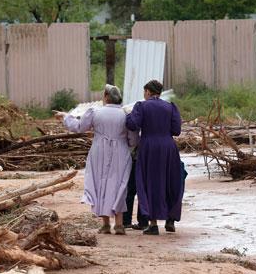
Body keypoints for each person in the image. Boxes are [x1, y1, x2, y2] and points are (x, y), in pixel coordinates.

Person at [55, 84, 137, 235]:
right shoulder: (126, 115)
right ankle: (119, 224)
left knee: (101, 184)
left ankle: (105, 224)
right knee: (120, 185)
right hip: (120, 151)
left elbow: (79, 126)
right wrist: (129, 145)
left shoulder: (96, 112)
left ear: (106, 96)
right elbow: (133, 138)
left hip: (100, 150)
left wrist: (65, 117)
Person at [126, 79, 185, 235]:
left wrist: (129, 115)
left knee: (150, 182)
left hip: (149, 147)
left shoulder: (141, 106)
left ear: (147, 92)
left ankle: (153, 224)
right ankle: (170, 219)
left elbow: (133, 124)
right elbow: (176, 130)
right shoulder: (170, 107)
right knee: (170, 181)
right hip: (168, 147)